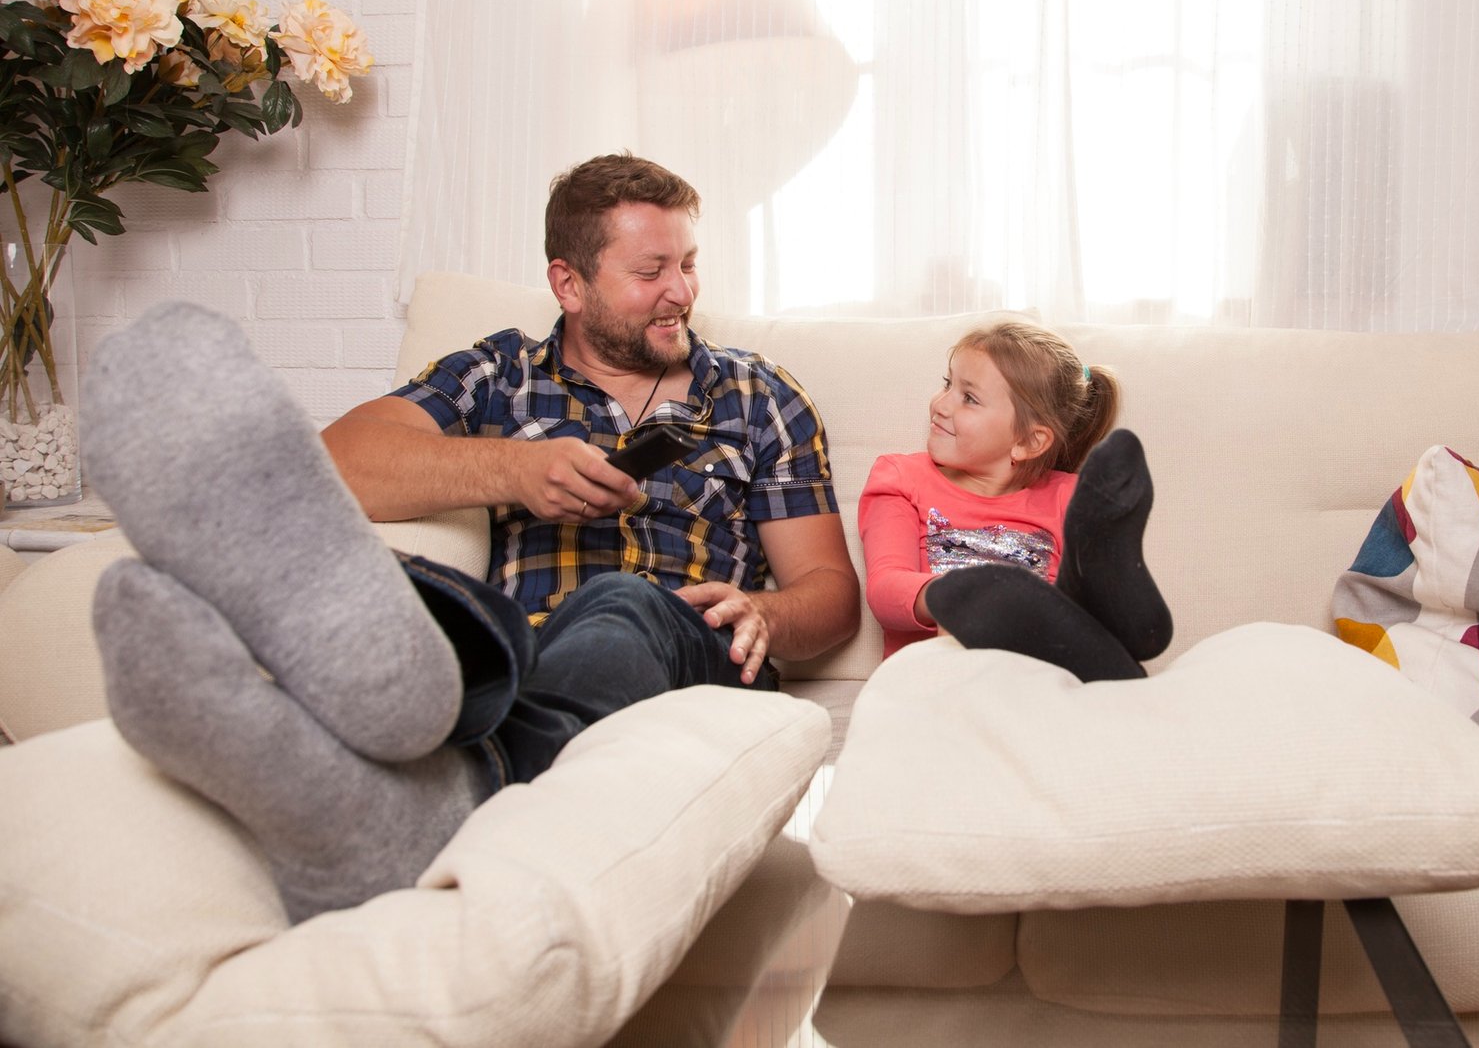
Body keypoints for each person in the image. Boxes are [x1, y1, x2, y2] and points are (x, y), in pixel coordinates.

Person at [82, 153, 859, 924]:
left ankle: (448, 800)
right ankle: (338, 745)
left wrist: (763, 614)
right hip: (522, 656)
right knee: (441, 615)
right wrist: (512, 470)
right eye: (652, 270)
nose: (682, 292)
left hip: (698, 654)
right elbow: (337, 464)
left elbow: (829, 594)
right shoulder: (500, 374)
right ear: (569, 283)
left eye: (688, 264)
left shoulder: (759, 395)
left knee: (621, 601)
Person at [857, 319, 1172, 680]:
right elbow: (885, 591)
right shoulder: (900, 478)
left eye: (969, 398)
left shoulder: (1072, 497)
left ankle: (1128, 610)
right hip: (934, 677)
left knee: (1084, 623)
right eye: (947, 384)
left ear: (1029, 442)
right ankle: (1131, 634)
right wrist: (964, 597)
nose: (941, 405)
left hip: (1039, 676)